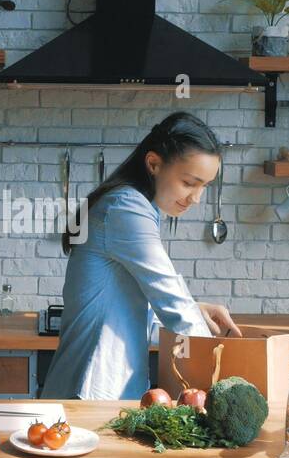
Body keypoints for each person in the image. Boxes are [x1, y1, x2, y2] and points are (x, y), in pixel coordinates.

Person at [40, 112, 242, 400]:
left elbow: (134, 309)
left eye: (204, 186)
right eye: (188, 182)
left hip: (103, 391)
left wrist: (196, 309)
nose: (196, 198)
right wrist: (231, 375)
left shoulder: (139, 206)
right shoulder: (126, 208)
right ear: (153, 164)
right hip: (89, 392)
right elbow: (170, 299)